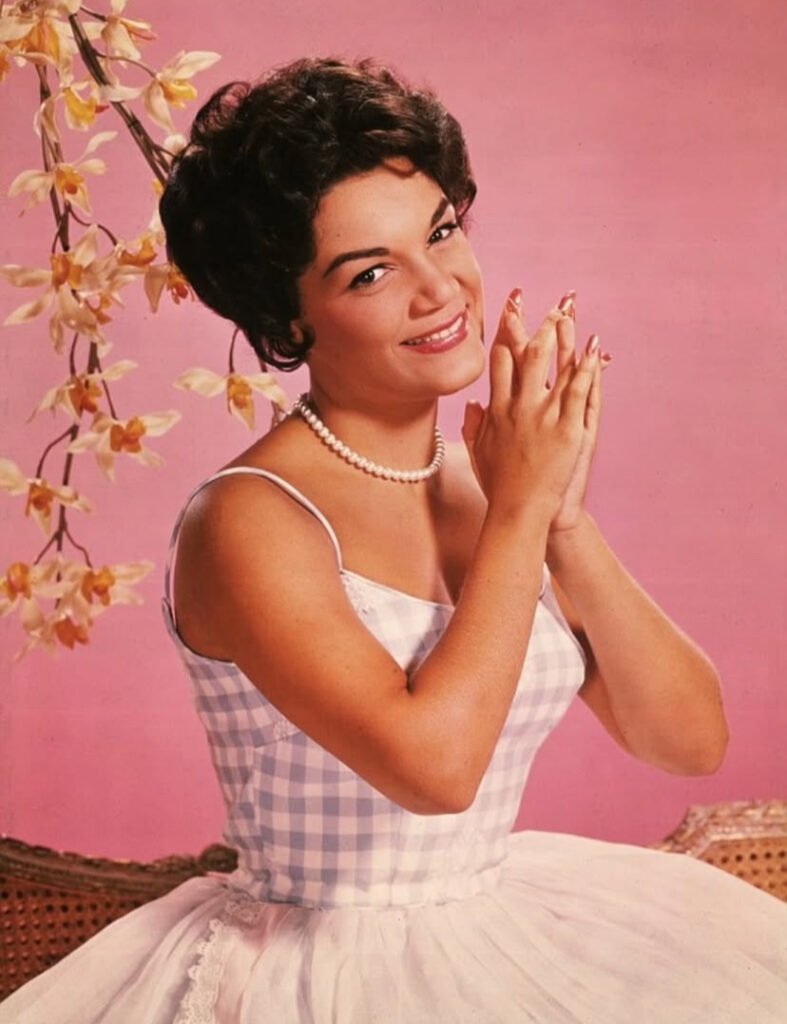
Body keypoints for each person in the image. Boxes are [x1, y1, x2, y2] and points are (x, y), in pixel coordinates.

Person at [2, 55, 785, 1024]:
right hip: (310, 967)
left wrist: (559, 518)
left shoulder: (489, 478)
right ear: (289, 316)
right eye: (370, 272)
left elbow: (689, 740)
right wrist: (518, 514)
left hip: (503, 922)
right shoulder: (249, 517)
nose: (438, 289)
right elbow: (434, 770)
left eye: (440, 232)